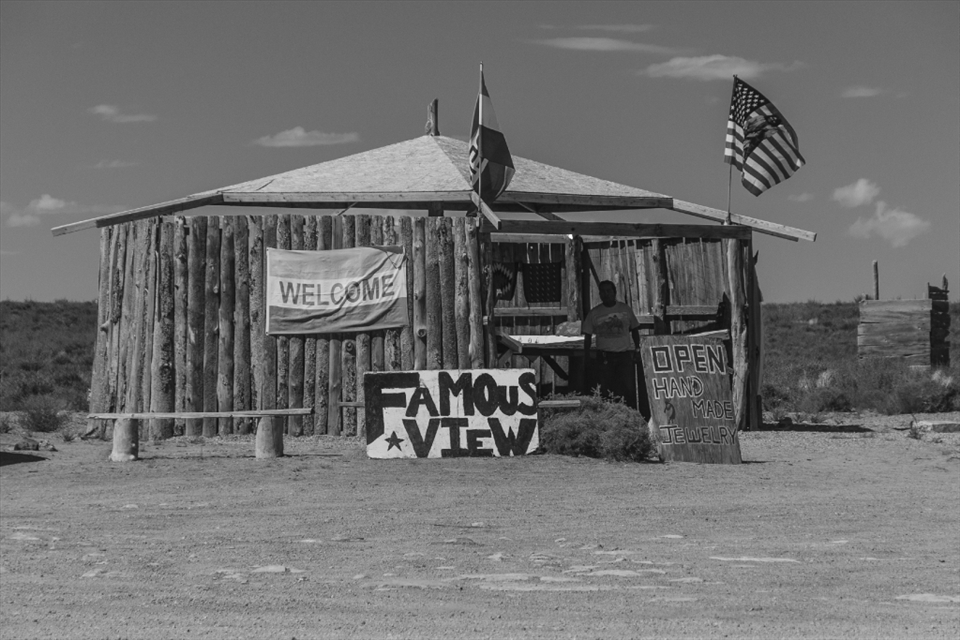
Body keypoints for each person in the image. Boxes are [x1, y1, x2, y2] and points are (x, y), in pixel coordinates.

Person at [582, 280, 650, 419]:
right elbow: (587, 336)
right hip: (604, 356)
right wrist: (587, 355)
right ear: (600, 294)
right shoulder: (595, 313)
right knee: (605, 389)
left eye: (609, 291)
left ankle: (629, 418)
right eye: (603, 291)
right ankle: (607, 419)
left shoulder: (624, 310)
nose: (606, 294)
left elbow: (635, 330)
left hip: (624, 355)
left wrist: (638, 349)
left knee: (628, 389)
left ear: (614, 292)